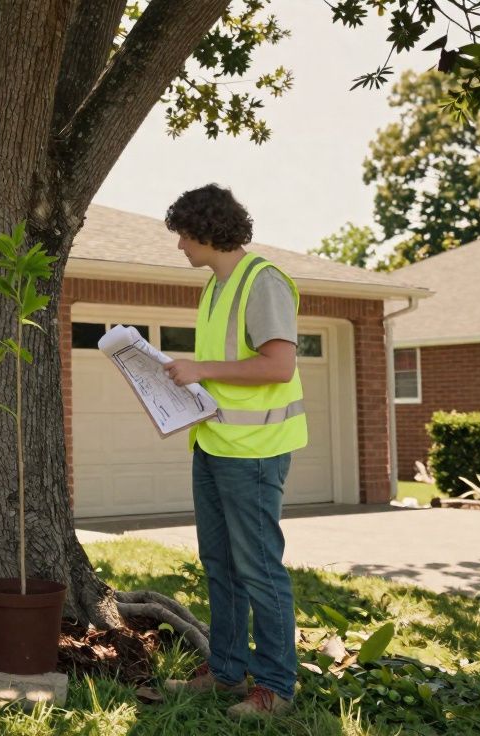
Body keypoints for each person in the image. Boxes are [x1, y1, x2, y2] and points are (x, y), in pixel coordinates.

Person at [159, 185, 306, 719]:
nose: (179, 246)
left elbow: (278, 366)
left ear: (204, 229)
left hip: (256, 452)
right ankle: (225, 671)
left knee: (258, 568)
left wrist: (201, 371)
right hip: (215, 444)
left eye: (182, 235)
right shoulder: (217, 287)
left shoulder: (262, 282)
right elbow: (226, 369)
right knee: (219, 564)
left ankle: (274, 687)